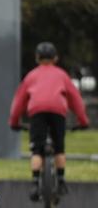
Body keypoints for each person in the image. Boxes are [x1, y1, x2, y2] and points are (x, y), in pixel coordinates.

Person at [8, 42, 90, 199]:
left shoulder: (31, 76)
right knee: (59, 148)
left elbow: (19, 102)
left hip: (37, 112)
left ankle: (34, 182)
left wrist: (14, 122)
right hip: (58, 112)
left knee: (37, 150)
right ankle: (60, 179)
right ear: (56, 58)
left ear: (37, 58)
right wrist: (83, 121)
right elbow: (76, 100)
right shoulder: (62, 75)